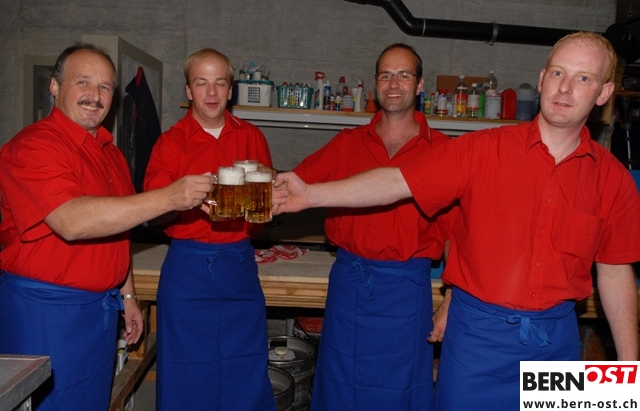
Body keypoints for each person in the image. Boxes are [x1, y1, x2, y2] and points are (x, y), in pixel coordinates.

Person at [273, 31, 640, 411]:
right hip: (477, 340)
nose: (565, 88)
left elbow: (615, 273)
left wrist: (629, 374)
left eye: (583, 78)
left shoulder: (614, 181)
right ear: (543, 79)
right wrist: (311, 194)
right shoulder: (481, 150)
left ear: (603, 93)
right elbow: (397, 181)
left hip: (554, 344)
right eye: (558, 73)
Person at [0, 43, 213, 411]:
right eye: (83, 82)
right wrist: (169, 197)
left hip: (98, 311)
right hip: (46, 311)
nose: (95, 96)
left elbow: (117, 230)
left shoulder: (109, 153)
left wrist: (127, 296)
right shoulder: (34, 145)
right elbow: (71, 221)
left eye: (104, 87)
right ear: (55, 86)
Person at [291, 43, 456, 411]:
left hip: (406, 292)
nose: (393, 84)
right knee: (340, 385)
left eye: (403, 75)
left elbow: (458, 235)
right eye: (385, 75)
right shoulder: (345, 145)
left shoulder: (444, 152)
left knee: (398, 390)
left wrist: (451, 300)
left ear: (420, 85)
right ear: (375, 84)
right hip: (350, 285)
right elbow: (293, 187)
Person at [143, 48, 276, 411]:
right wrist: (177, 199)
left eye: (220, 83)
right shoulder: (170, 143)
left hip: (239, 264)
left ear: (231, 90)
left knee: (245, 366)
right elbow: (151, 215)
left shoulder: (253, 137)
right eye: (202, 83)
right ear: (189, 90)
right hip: (188, 268)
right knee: (185, 370)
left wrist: (274, 195)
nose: (212, 92)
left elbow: (266, 211)